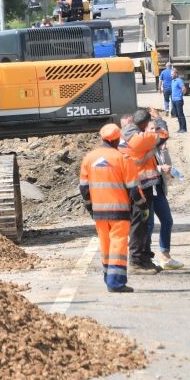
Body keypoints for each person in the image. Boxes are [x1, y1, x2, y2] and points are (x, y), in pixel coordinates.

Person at [80, 123, 139, 293]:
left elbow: (84, 189)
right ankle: (116, 282)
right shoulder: (122, 158)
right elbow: (133, 188)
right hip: (119, 213)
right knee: (118, 246)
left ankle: (108, 277)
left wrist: (91, 208)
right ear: (116, 140)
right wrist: (141, 207)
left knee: (105, 245)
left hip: (99, 213)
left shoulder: (89, 158)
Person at [119, 108, 169, 274]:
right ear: (144, 124)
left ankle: (144, 258)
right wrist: (159, 120)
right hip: (140, 187)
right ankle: (137, 261)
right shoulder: (141, 139)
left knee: (143, 223)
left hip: (135, 185)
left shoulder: (125, 134)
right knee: (139, 224)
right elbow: (163, 135)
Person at [149, 138, 184, 269]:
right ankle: (146, 258)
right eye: (152, 128)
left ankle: (165, 257)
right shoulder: (142, 147)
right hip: (146, 189)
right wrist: (159, 168)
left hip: (158, 189)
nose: (156, 133)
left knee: (167, 221)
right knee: (149, 225)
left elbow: (168, 167)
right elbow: (139, 167)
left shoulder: (157, 148)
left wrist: (164, 151)